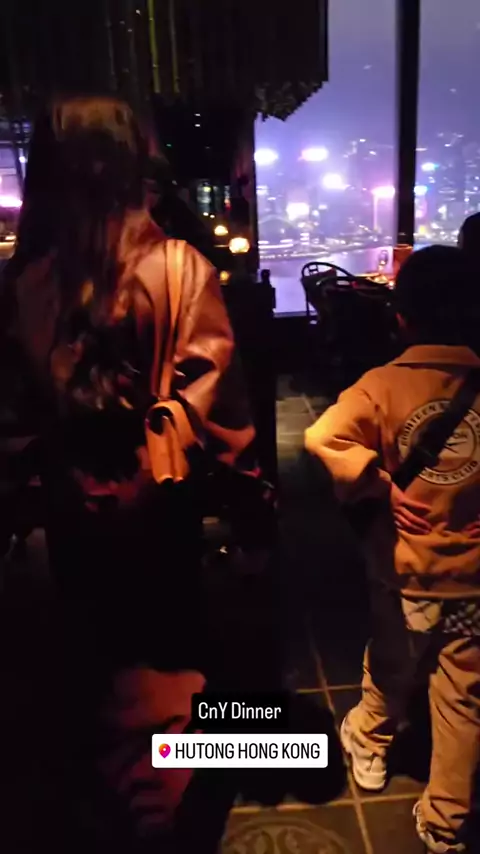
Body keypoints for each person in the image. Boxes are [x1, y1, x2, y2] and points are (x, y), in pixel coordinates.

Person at [0, 95, 272, 851]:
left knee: (95, 647)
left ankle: (117, 798)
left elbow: (13, 419)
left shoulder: (23, 281)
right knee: (174, 642)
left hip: (70, 504)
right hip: (162, 503)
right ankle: (176, 793)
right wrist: (252, 511)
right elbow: (221, 407)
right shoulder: (179, 267)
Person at [305, 246, 480, 853]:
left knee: (391, 660)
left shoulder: (381, 385)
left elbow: (323, 436)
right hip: (474, 577)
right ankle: (447, 819)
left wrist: (378, 482)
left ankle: (370, 744)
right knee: (463, 695)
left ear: (400, 318)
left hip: (402, 569)